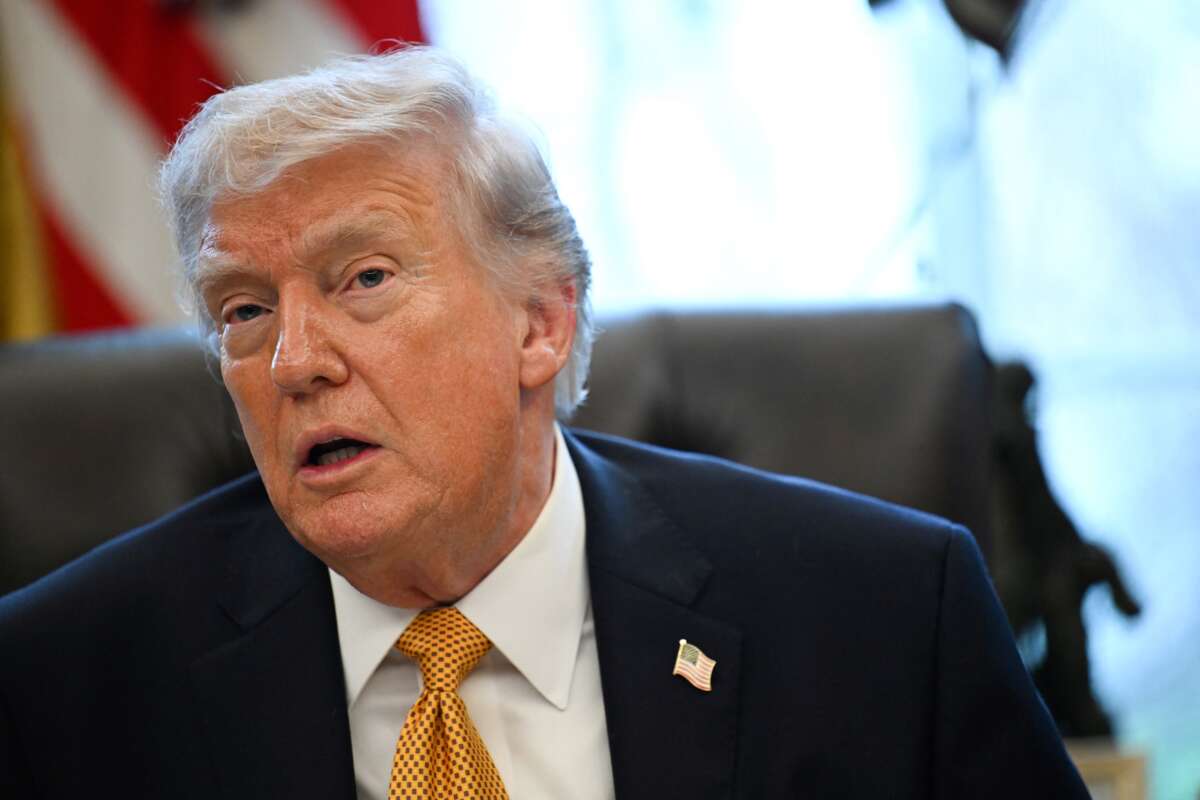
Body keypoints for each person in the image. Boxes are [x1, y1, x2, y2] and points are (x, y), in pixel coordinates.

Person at [0, 47, 1088, 799]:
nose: (293, 361)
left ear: (540, 320)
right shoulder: (65, 683)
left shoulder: (883, 620)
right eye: (244, 309)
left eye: (364, 277)